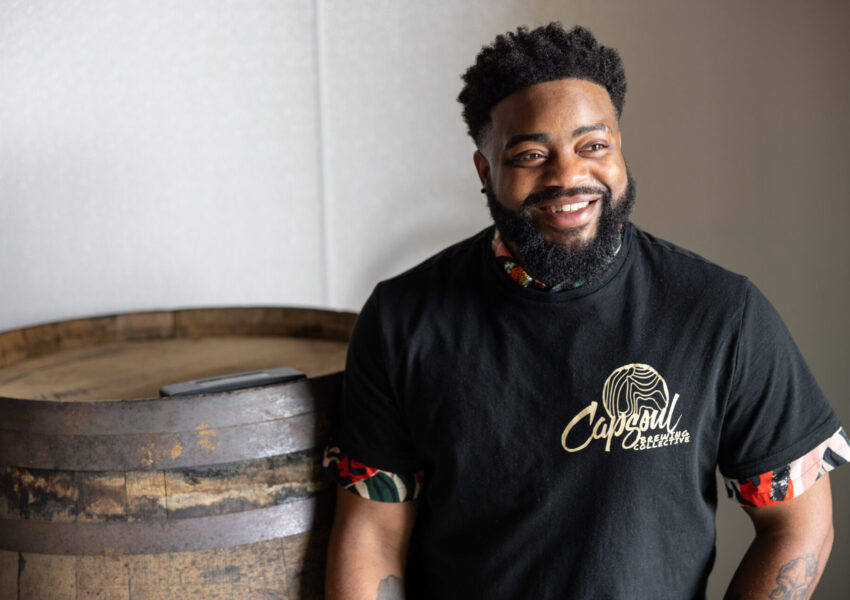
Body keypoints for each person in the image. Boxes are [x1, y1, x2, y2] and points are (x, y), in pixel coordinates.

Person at [323, 23, 849, 599]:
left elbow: (799, 525)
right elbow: (372, 535)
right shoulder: (401, 320)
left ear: (619, 148)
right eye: (531, 155)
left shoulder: (722, 314)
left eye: (593, 146)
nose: (568, 176)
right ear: (485, 171)